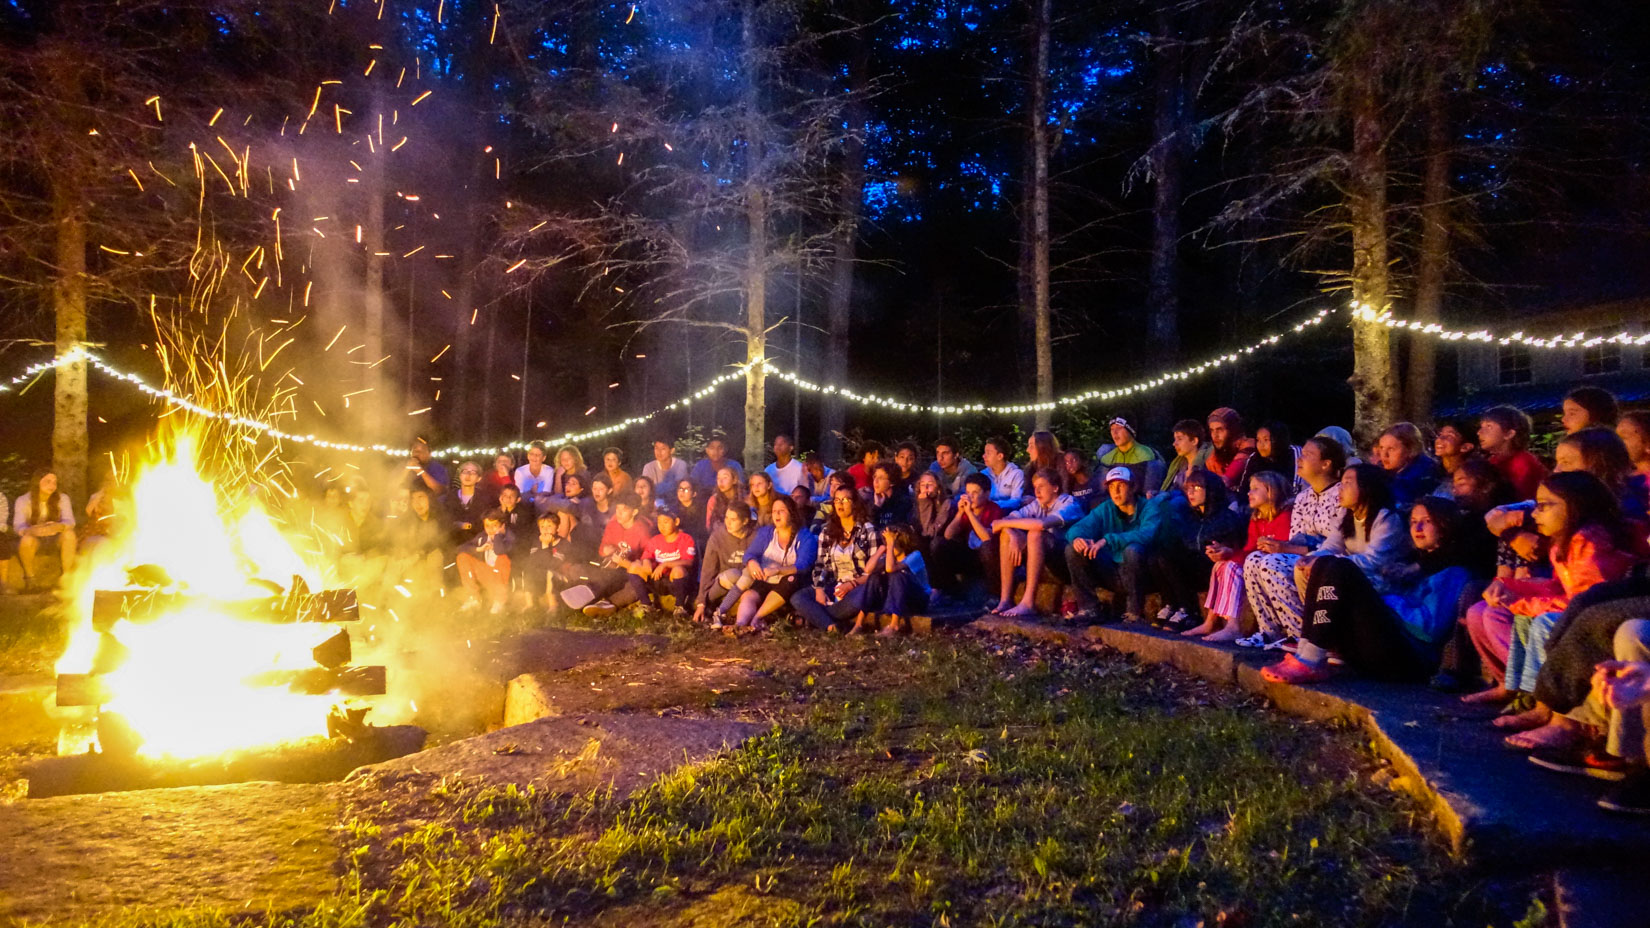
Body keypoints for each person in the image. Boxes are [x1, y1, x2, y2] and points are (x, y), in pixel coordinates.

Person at [1463, 472, 1641, 743]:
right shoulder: (1564, 542)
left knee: (1543, 622)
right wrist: (1509, 586)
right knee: (1507, 615)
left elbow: (1585, 601)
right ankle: (1520, 690)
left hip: (1605, 614)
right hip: (1586, 609)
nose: (1535, 514)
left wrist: (1522, 602)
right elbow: (1558, 587)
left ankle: (1555, 713)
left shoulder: (1590, 543)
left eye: (1545, 505)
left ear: (1576, 505)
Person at [1261, 497, 1479, 684]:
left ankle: (1311, 659)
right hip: (1382, 645)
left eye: (1427, 521)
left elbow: (1427, 629)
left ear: (1445, 524)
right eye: (1413, 522)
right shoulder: (1410, 563)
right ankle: (1306, 653)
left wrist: (1382, 599)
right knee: (1322, 564)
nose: (1417, 528)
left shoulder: (1454, 573)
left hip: (1409, 657)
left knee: (1341, 567)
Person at [1240, 436, 1349, 646]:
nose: (1301, 459)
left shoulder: (1341, 495)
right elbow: (1295, 537)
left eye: (1308, 455)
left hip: (1330, 559)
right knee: (1254, 559)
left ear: (1326, 464)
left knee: (1271, 563)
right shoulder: (1303, 497)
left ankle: (1301, 634)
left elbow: (1337, 543)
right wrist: (1277, 547)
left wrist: (1285, 549)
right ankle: (1269, 631)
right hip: (1302, 553)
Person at [1192, 471, 1294, 642]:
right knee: (1220, 565)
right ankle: (1210, 622)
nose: (1249, 493)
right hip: (1254, 563)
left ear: (1271, 492)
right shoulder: (1257, 519)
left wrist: (1233, 558)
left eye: (1255, 489)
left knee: (1231, 567)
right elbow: (1249, 550)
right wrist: (1227, 552)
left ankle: (1233, 627)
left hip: (1271, 568)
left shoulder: (1285, 517)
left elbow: (1281, 549)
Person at [1063, 466, 1166, 623]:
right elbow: (1078, 527)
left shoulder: (1149, 507)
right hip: (1112, 571)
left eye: (1121, 485)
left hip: (1142, 574)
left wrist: (1107, 540)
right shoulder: (1106, 508)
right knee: (1072, 549)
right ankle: (1090, 608)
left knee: (1133, 549)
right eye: (1111, 487)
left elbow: (1147, 535)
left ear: (1133, 487)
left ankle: (1134, 612)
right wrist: (1078, 538)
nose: (1116, 491)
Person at [1157, 469, 1247, 637]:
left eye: (1196, 488)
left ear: (1210, 490)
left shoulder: (1227, 518)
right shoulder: (1189, 516)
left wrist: (1221, 549)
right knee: (1160, 553)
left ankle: (1190, 611)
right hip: (1193, 567)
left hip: (1213, 570)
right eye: (1188, 488)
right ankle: (1172, 605)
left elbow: (1237, 548)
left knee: (1171, 558)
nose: (1190, 492)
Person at [986, 467, 1085, 617]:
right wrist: (1012, 534)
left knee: (1034, 534)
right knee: (1006, 536)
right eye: (1035, 487)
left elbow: (1041, 524)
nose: (1037, 492)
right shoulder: (1038, 504)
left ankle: (1028, 603)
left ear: (1055, 488)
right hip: (1045, 557)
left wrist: (1004, 525)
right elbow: (1004, 521)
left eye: (1041, 486)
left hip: (1068, 558)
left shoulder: (1068, 503)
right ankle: (1005, 599)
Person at [792, 486, 881, 633]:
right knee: (798, 598)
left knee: (862, 595)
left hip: (859, 586)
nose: (840, 504)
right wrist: (819, 589)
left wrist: (852, 584)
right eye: (837, 500)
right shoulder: (827, 531)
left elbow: (874, 569)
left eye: (845, 500)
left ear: (854, 503)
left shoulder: (868, 530)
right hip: (835, 586)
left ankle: (817, 617)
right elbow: (821, 564)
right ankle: (832, 626)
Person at [729, 496, 817, 632]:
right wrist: (752, 563)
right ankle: (740, 624)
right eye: (774, 511)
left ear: (791, 513)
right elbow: (750, 554)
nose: (777, 514)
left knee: (791, 579)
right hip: (767, 578)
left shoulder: (805, 537)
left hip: (790, 584)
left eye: (781, 511)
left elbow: (803, 565)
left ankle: (756, 618)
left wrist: (779, 570)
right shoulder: (767, 532)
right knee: (749, 595)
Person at [931, 472, 1003, 600]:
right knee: (938, 543)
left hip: (987, 559)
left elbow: (986, 538)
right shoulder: (965, 510)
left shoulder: (994, 510)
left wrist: (970, 514)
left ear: (986, 494)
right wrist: (960, 514)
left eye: (975, 493)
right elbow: (948, 535)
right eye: (968, 492)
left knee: (987, 548)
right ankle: (949, 589)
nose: (971, 496)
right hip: (968, 555)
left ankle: (994, 595)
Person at [861, 524, 932, 637]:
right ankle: (859, 623)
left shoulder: (915, 556)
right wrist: (881, 549)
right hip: (901, 599)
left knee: (897, 575)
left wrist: (890, 543)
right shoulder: (889, 556)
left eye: (891, 543)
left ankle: (894, 625)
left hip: (919, 600)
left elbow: (890, 568)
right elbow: (868, 569)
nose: (889, 546)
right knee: (874, 577)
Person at [13, 469, 77, 589]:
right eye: (47, 481)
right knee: (26, 540)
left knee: (69, 535)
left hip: (55, 537)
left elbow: (70, 521)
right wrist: (31, 530)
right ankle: (30, 578)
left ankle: (66, 577)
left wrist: (59, 526)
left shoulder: (62, 498)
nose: (52, 485)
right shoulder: (23, 500)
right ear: (37, 482)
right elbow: (18, 525)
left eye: (54, 482)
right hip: (35, 538)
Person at [694, 504, 756, 625]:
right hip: (723, 582)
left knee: (748, 572)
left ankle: (721, 612)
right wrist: (701, 602)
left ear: (745, 521)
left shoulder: (755, 537)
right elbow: (708, 570)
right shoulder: (717, 537)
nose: (728, 523)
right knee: (734, 574)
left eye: (733, 520)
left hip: (747, 583)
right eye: (726, 518)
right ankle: (710, 606)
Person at [387, 486, 447, 598]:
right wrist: (394, 513)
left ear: (429, 499)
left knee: (435, 556)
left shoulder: (440, 518)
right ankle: (388, 598)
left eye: (421, 497)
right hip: (414, 559)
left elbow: (441, 542)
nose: (417, 503)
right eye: (413, 499)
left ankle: (437, 597)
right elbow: (393, 538)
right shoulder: (409, 520)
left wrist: (420, 553)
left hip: (431, 559)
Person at [1477, 405, 1547, 500]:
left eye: (1489, 426)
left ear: (1509, 434)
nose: (1479, 432)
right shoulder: (1493, 461)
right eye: (1481, 426)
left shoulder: (1523, 462)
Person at [456, 509, 514, 614]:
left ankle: (499, 601)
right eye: (487, 526)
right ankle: (474, 598)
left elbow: (499, 550)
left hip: (503, 580)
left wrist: (498, 536)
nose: (490, 529)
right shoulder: (482, 537)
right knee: (462, 557)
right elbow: (460, 548)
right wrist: (478, 549)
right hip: (487, 575)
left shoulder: (509, 537)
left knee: (502, 558)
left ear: (502, 526)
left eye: (494, 525)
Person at [1374, 422, 1443, 509]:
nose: (1384, 455)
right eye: (1381, 448)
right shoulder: (1389, 469)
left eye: (1391, 449)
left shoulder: (1422, 474)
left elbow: (1398, 502)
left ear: (1411, 450)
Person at [642, 509, 697, 616]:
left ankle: (679, 607)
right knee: (636, 566)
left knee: (678, 570)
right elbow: (646, 556)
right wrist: (646, 562)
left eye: (666, 522)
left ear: (676, 522)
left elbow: (689, 561)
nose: (662, 526)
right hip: (659, 580)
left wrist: (666, 564)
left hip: (677, 582)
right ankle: (645, 604)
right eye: (659, 522)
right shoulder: (655, 540)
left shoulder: (686, 539)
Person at [1096, 418, 1165, 497]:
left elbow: (1150, 489)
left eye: (1119, 428)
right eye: (1112, 429)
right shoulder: (1107, 457)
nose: (1114, 433)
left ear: (1131, 430)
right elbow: (1101, 490)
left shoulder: (1146, 455)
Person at [1240, 421, 1302, 497]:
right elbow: (1244, 488)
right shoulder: (1255, 458)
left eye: (1266, 440)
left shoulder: (1293, 453)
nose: (1261, 445)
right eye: (1258, 440)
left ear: (1278, 440)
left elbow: (1295, 489)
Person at [446, 461, 496, 547]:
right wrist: (456, 525)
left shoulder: (486, 499)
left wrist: (469, 526)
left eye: (473, 473)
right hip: (453, 543)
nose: (468, 475)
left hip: (478, 544)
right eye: (465, 472)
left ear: (479, 478)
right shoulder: (450, 497)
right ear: (460, 475)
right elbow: (445, 521)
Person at [1205, 407, 1254, 492]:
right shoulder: (1213, 458)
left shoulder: (1248, 446)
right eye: (1212, 430)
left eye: (1219, 430)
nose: (1215, 436)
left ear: (1232, 430)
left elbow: (1227, 480)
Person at [1159, 419, 1213, 496]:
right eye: (1175, 439)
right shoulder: (1178, 465)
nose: (1174, 444)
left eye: (1180, 439)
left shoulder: (1206, 465)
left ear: (1194, 441)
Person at [1432, 419, 1479, 494]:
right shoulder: (1432, 471)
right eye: (1440, 435)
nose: (1440, 439)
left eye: (1449, 436)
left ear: (1465, 447)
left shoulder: (1470, 475)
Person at [913, 471, 954, 551]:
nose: (926, 487)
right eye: (922, 485)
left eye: (930, 484)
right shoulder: (916, 502)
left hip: (940, 544)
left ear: (938, 487)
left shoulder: (946, 504)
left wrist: (925, 504)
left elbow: (930, 533)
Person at [980, 436, 1026, 507]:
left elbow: (1016, 501)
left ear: (1000, 456)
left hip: (1009, 515)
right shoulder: (983, 475)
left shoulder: (1016, 474)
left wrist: (993, 506)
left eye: (988, 453)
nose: (983, 456)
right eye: (984, 452)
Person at [866, 462, 915, 528]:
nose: (875, 481)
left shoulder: (903, 503)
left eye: (881, 478)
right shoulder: (869, 500)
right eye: (875, 476)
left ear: (892, 482)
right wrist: (876, 507)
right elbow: (869, 526)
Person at [515, 442, 558, 511]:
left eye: (538, 455)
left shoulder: (548, 470)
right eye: (531, 454)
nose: (534, 457)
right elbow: (520, 493)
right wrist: (533, 493)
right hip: (525, 503)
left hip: (542, 502)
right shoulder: (520, 471)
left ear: (543, 458)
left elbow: (546, 492)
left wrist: (534, 494)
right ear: (528, 456)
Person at [672, 479, 710, 555]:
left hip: (697, 543)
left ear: (694, 493)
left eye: (686, 489)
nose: (682, 492)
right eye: (680, 489)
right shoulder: (673, 509)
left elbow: (702, 531)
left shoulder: (702, 509)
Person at [706, 465, 746, 534]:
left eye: (725, 478)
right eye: (718, 478)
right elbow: (709, 525)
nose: (721, 481)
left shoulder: (745, 499)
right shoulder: (714, 500)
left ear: (734, 480)